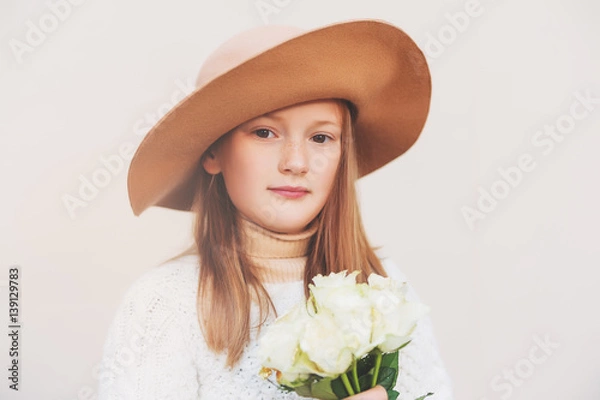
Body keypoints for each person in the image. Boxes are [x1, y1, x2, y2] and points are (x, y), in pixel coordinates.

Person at [97, 19, 455, 400]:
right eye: (265, 132)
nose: (296, 162)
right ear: (213, 151)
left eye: (321, 137)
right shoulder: (165, 303)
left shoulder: (382, 291)